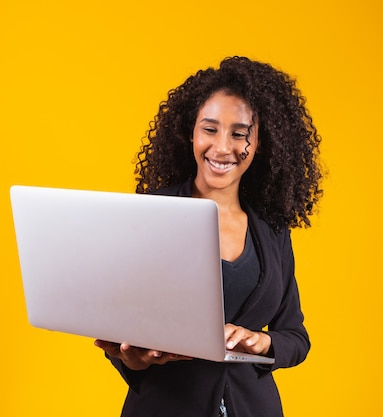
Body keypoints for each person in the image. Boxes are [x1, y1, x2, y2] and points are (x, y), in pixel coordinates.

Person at [94, 56, 323, 417]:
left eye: (239, 133)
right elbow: (121, 327)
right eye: (210, 129)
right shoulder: (150, 213)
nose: (222, 147)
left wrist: (262, 342)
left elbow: (295, 337)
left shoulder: (273, 230)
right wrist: (133, 361)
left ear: (260, 141)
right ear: (191, 132)